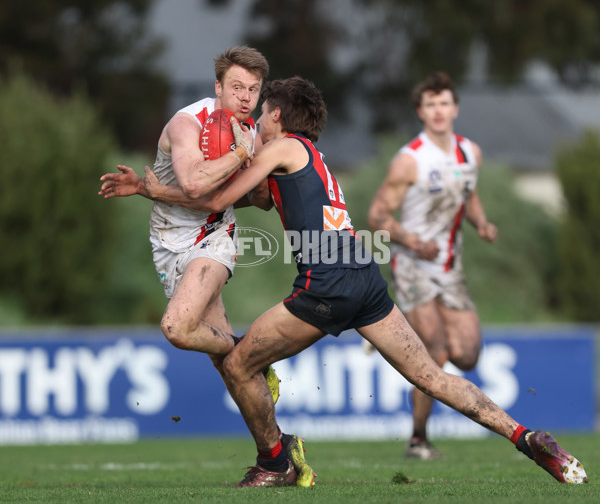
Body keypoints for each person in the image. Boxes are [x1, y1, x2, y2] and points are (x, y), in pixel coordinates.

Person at [141, 76, 587, 487]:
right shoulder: (307, 155)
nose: (255, 122)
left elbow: (218, 198)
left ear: (276, 115)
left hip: (327, 284)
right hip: (364, 277)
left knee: (238, 366)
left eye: (261, 115)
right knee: (432, 376)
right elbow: (258, 197)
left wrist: (156, 190)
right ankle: (525, 437)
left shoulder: (281, 148)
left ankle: (274, 464)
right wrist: (242, 151)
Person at [98, 47, 315, 487]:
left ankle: (242, 346)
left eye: (253, 90)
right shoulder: (186, 123)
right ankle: (277, 458)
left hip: (214, 239)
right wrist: (237, 156)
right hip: (167, 245)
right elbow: (194, 182)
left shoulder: (254, 135)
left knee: (177, 327)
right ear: (217, 86)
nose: (245, 98)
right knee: (232, 366)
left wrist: (247, 167)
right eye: (236, 87)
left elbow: (257, 199)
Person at [363, 71, 498, 459]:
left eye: (444, 103)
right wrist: (410, 240)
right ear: (420, 112)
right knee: (435, 349)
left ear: (454, 108)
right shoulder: (410, 160)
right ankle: (418, 439)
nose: (438, 111)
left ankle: (408, 342)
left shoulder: (471, 152)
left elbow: (468, 196)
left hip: (449, 267)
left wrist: (482, 223)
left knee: (468, 354)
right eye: (430, 105)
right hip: (412, 264)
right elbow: (377, 214)